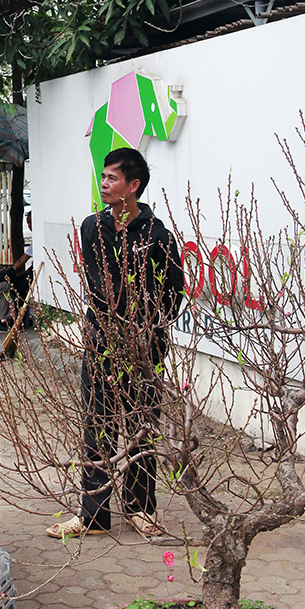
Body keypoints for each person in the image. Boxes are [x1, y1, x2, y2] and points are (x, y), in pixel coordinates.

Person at [46, 147, 184, 540]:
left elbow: (173, 293)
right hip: (102, 340)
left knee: (142, 426)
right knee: (98, 426)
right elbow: (96, 286)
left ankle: (141, 509)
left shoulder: (158, 235)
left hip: (145, 346)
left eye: (112, 178)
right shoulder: (92, 226)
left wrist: (146, 330)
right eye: (103, 177)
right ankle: (93, 514)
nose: (104, 184)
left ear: (133, 185)